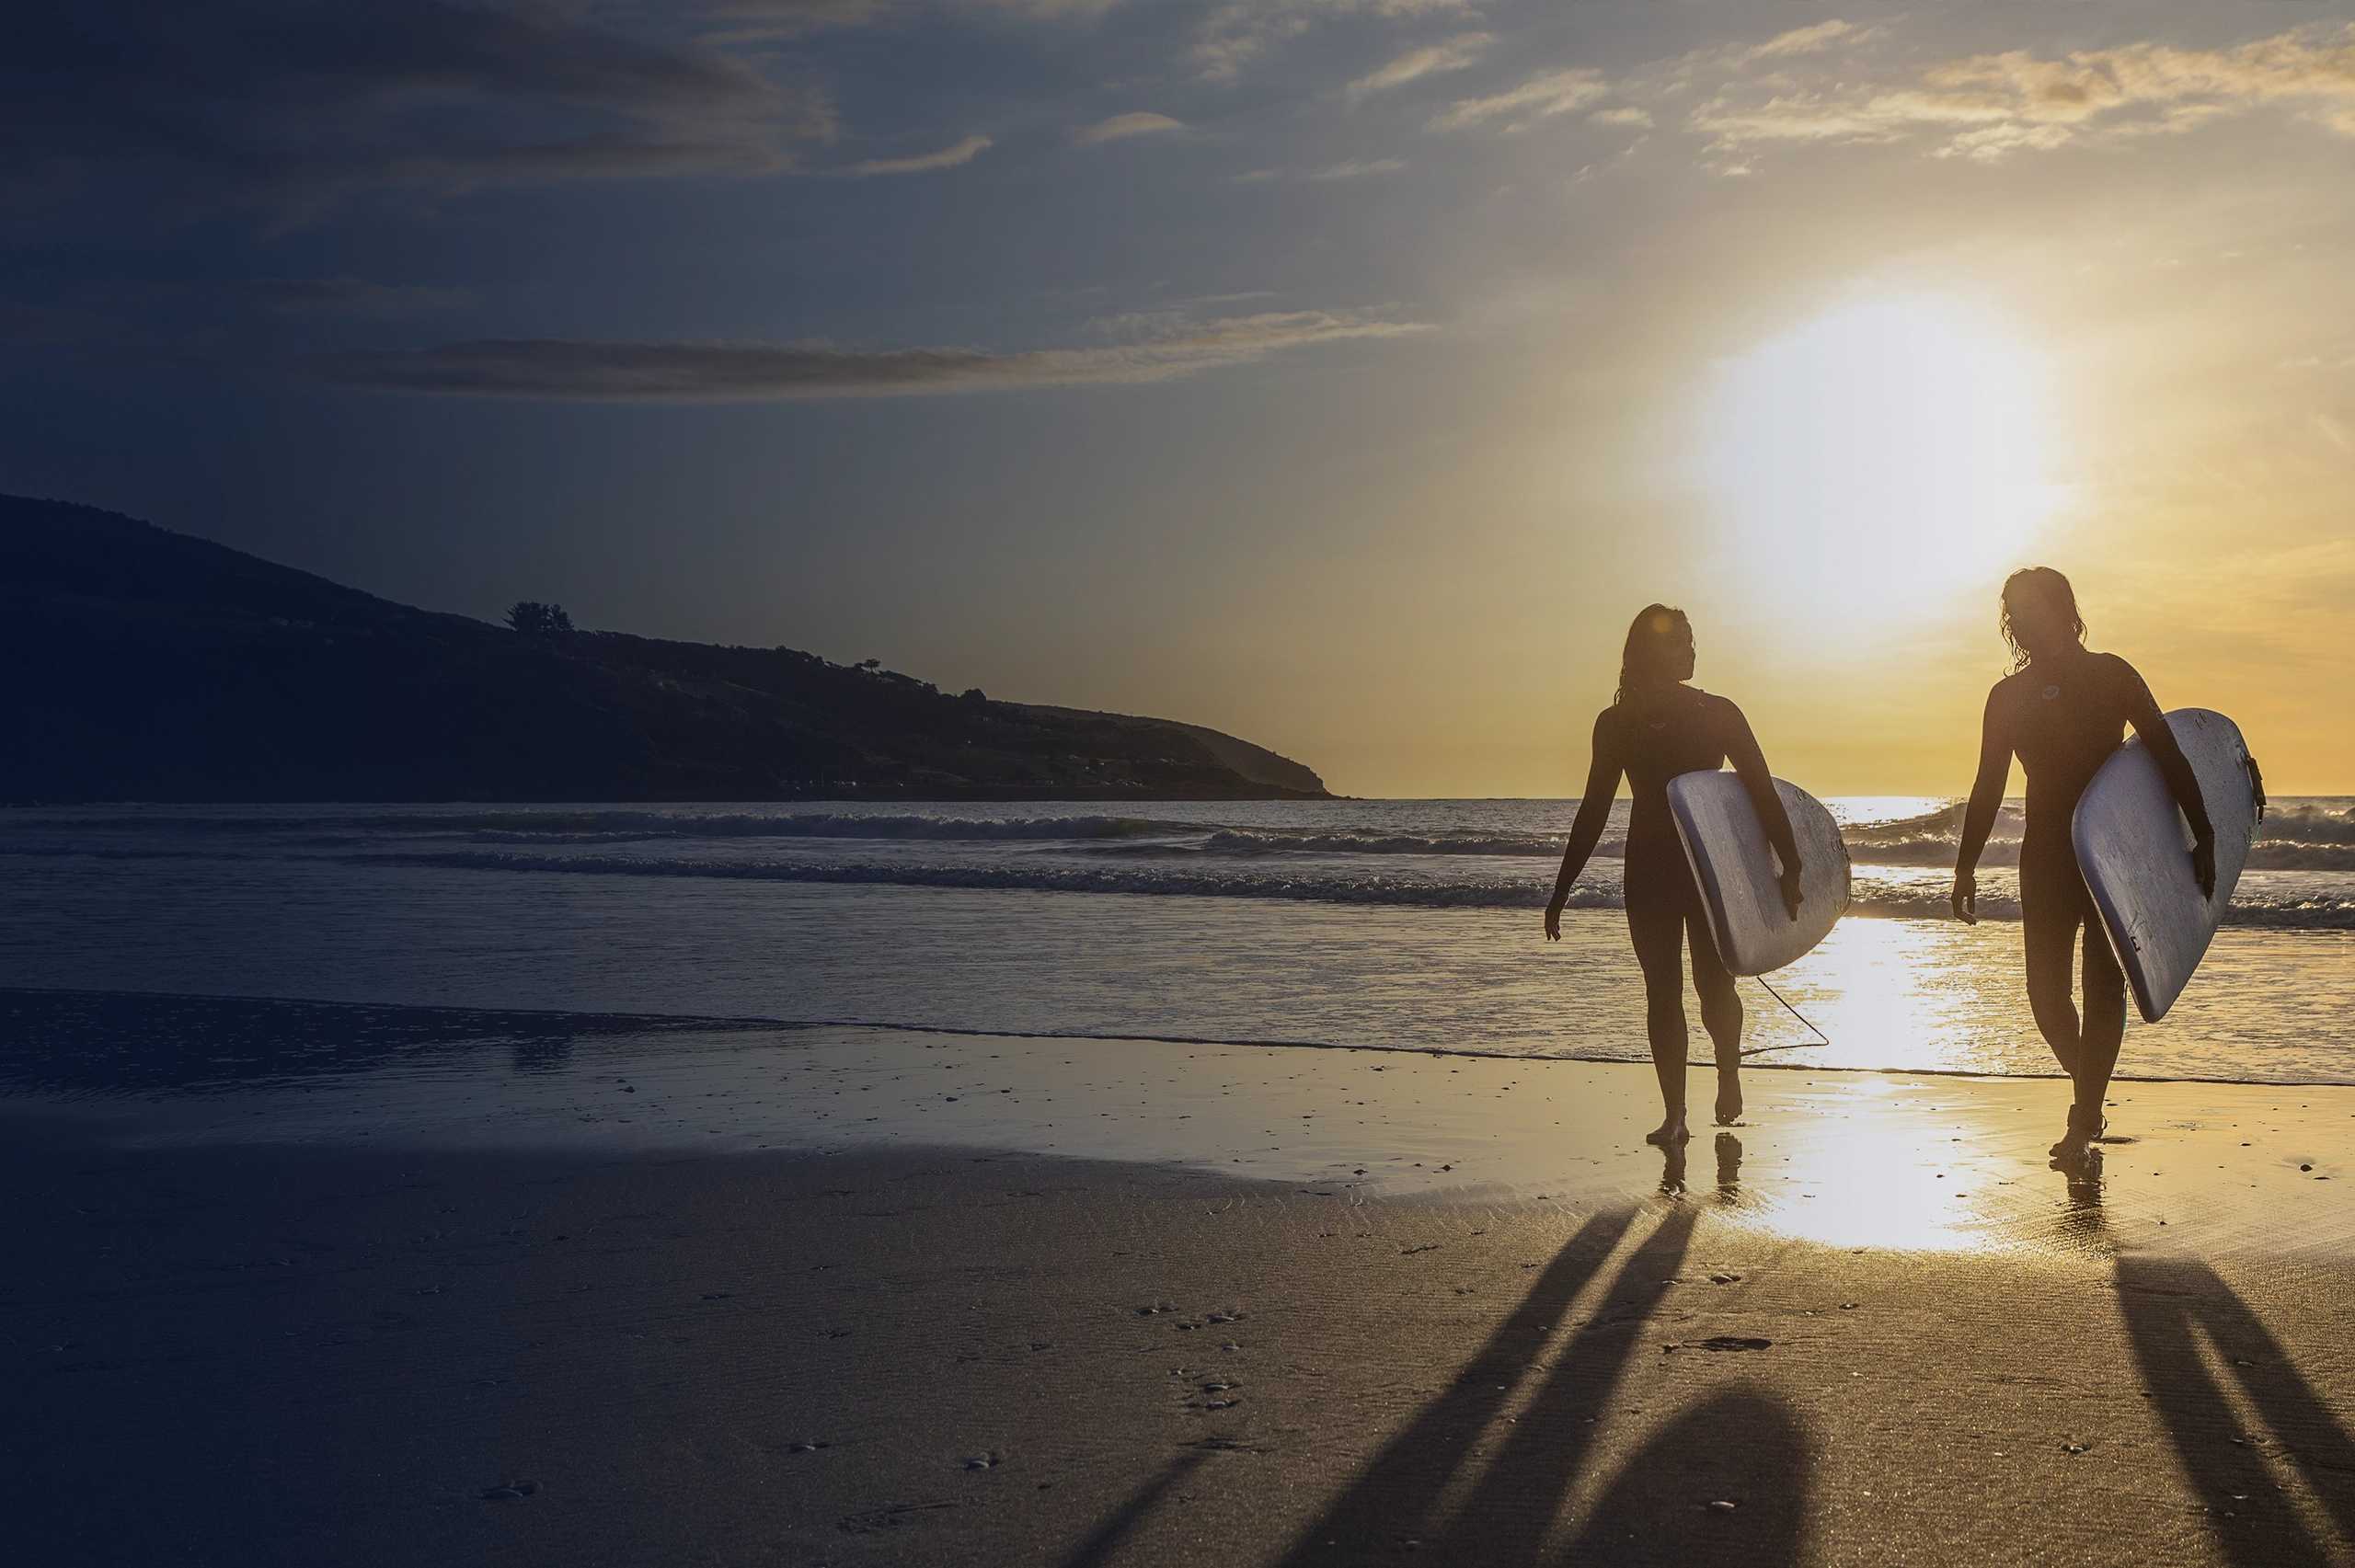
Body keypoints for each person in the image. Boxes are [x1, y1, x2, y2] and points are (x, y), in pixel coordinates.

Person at [1951, 567, 2213, 1163]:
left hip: (2111, 859)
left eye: (2031, 607)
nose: (2020, 620)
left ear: (2065, 609)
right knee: (2044, 996)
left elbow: (2167, 753)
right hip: (2044, 857)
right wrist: (1965, 866)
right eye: (2012, 611)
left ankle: (2081, 1116)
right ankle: (2088, 1091)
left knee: (2102, 986)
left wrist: (2206, 833)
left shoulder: (2112, 674)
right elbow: (1988, 785)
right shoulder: (2007, 696)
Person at [1545, 605, 1802, 1146]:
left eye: (1691, 641)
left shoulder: (1719, 712)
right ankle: (1676, 1115)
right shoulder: (1616, 723)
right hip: (1649, 870)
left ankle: (1728, 1073)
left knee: (1715, 984)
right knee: (1661, 991)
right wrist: (1563, 886)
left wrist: (1792, 863)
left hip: (1710, 871)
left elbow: (1759, 787)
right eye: (1677, 642)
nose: (1689, 651)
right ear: (1646, 652)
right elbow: (1594, 807)